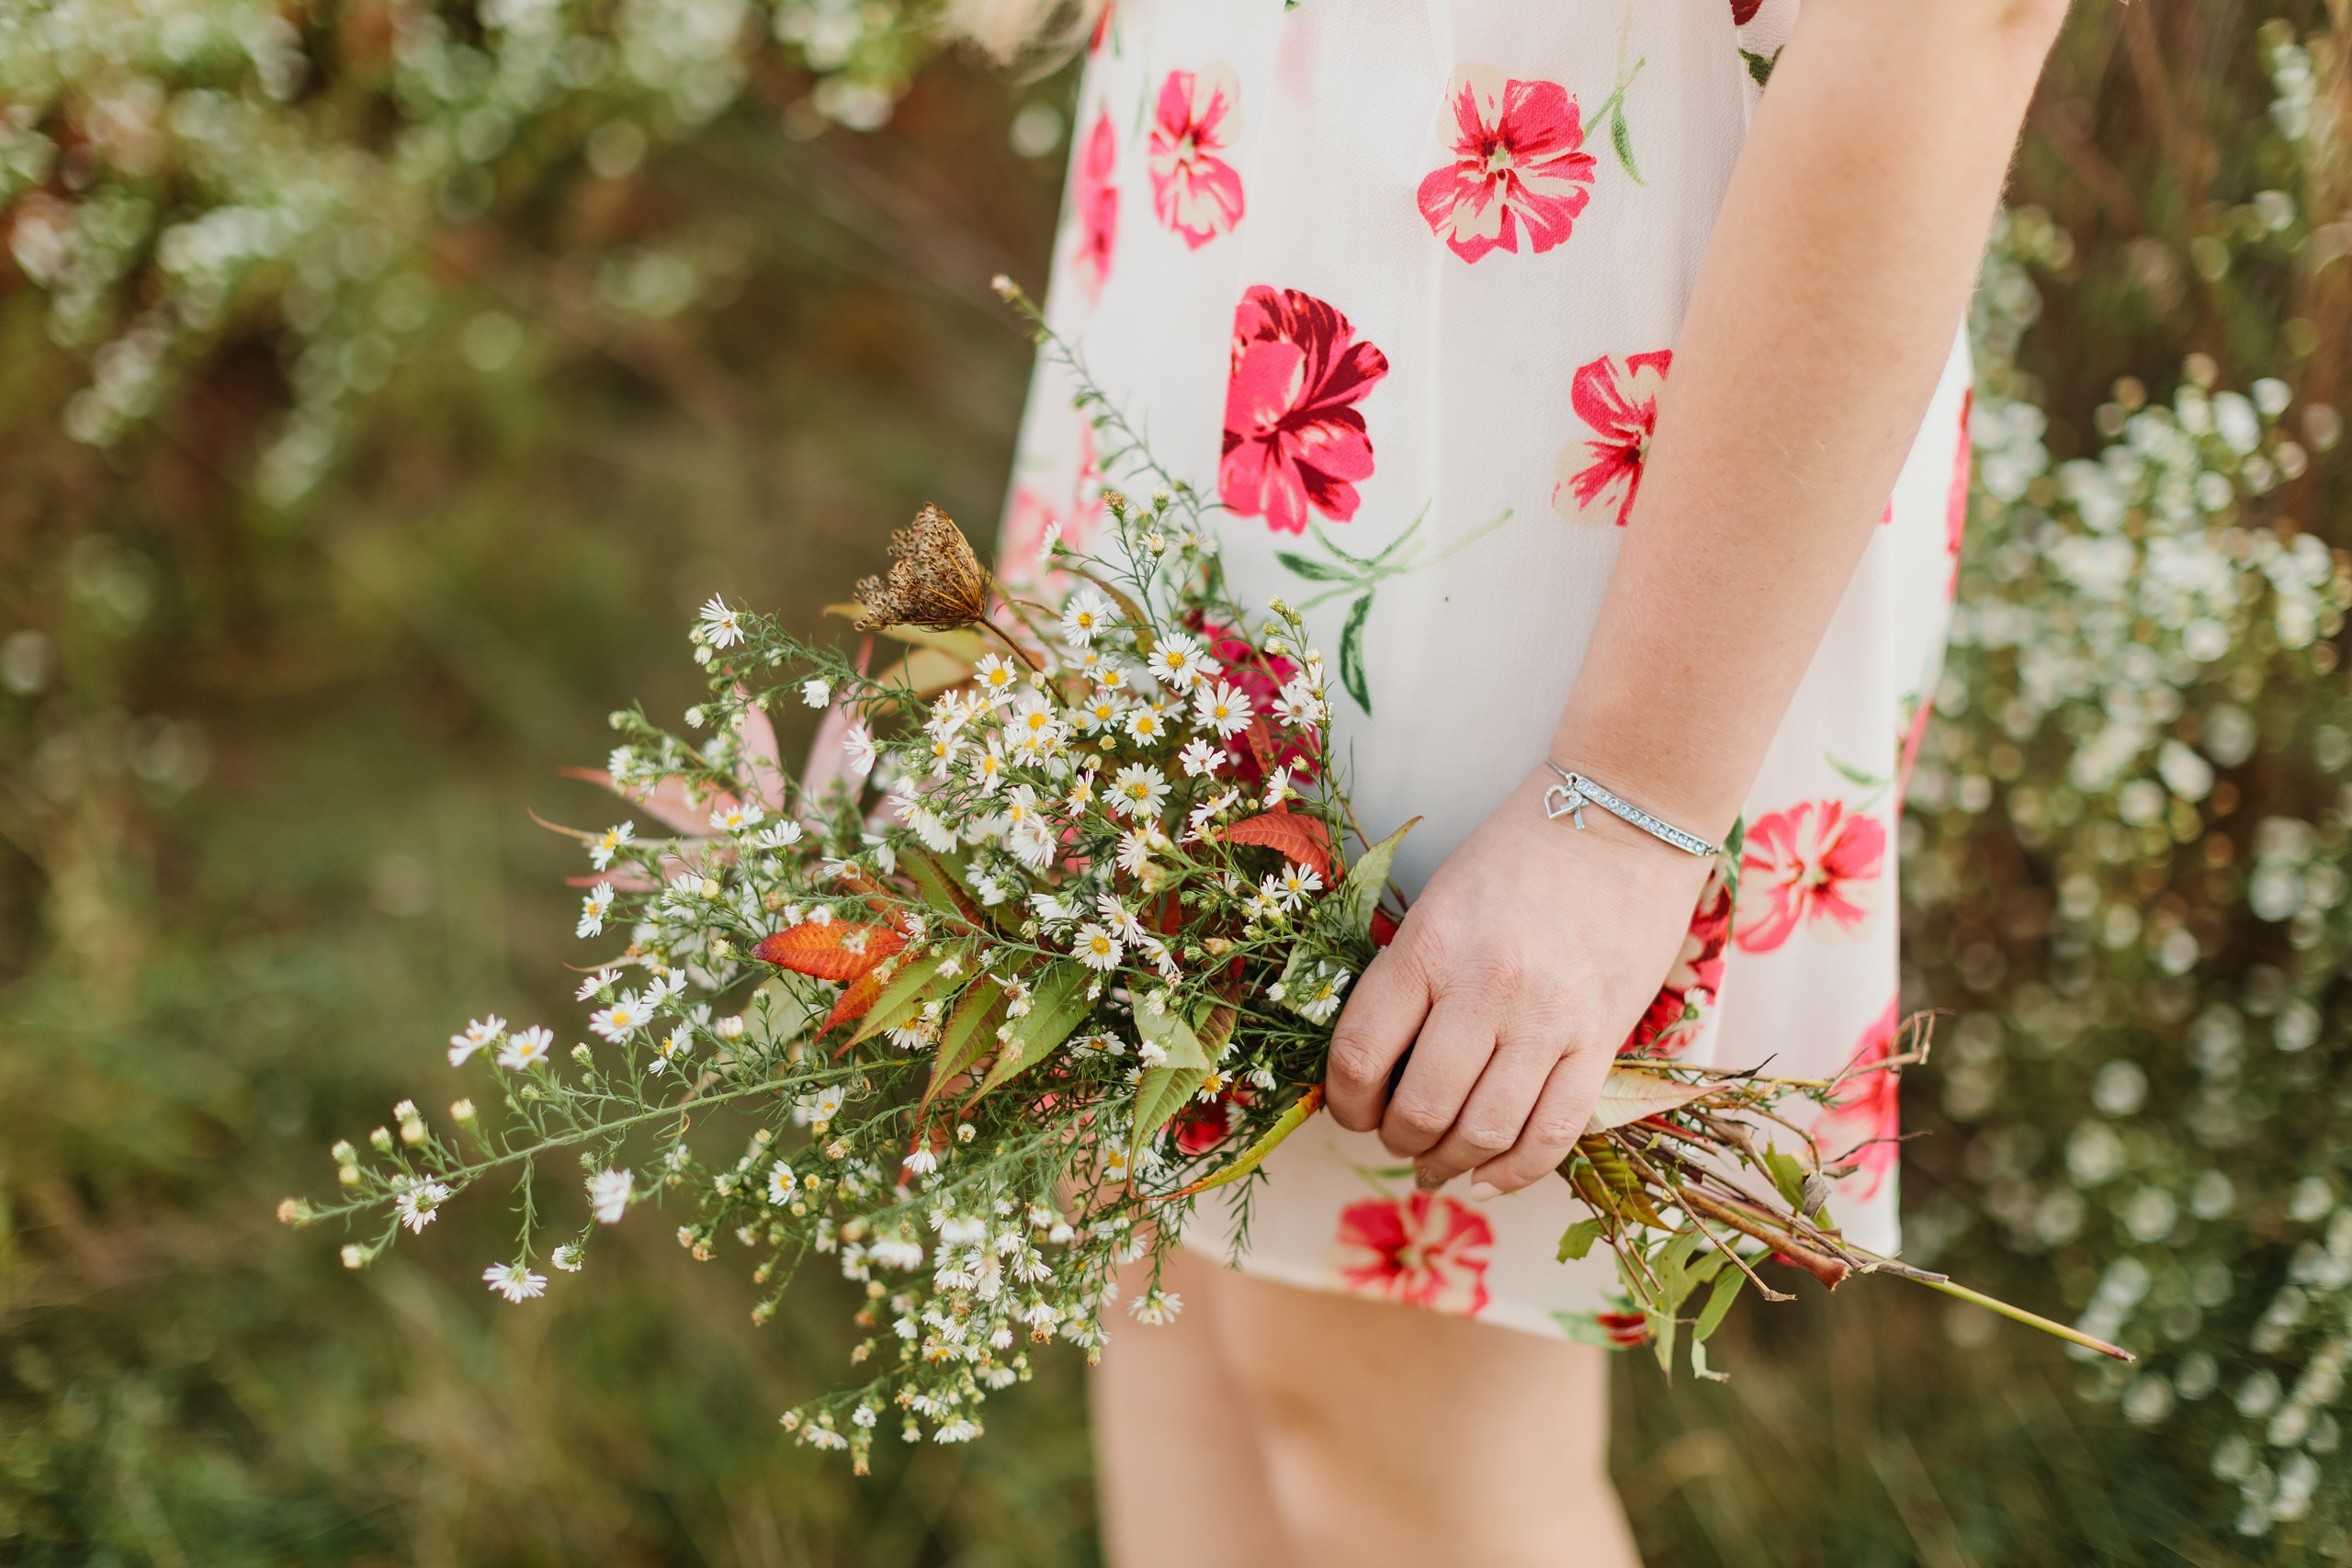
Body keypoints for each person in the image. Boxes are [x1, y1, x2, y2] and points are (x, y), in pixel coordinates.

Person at [950, 0, 2071, 1562]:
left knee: (1392, 1431)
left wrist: (1623, 806)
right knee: (1178, 1310)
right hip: (1222, 225)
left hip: (1534, 423)